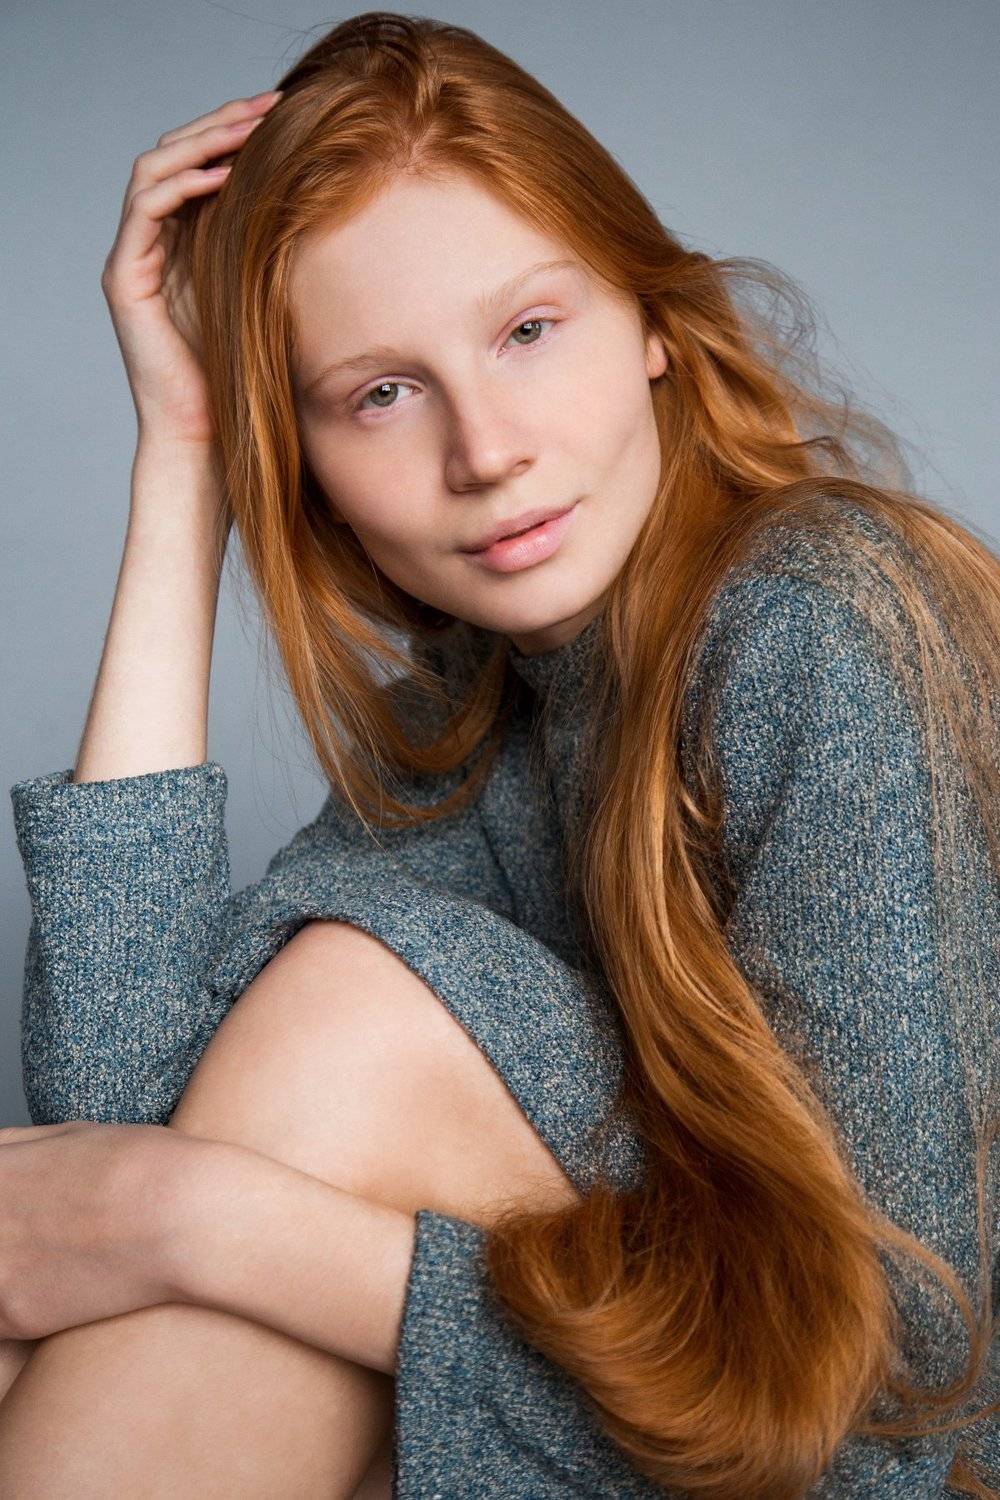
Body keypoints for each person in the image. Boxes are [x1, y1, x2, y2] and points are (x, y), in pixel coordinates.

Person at [2, 11, 997, 1498]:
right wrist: (189, 453)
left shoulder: (818, 623)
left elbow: (900, 1425)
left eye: (530, 330)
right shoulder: (485, 702)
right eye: (380, 394)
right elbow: (118, 1106)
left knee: (339, 1024)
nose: (485, 450)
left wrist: (193, 1225)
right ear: (311, 465)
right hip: (707, 1400)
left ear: (653, 321)